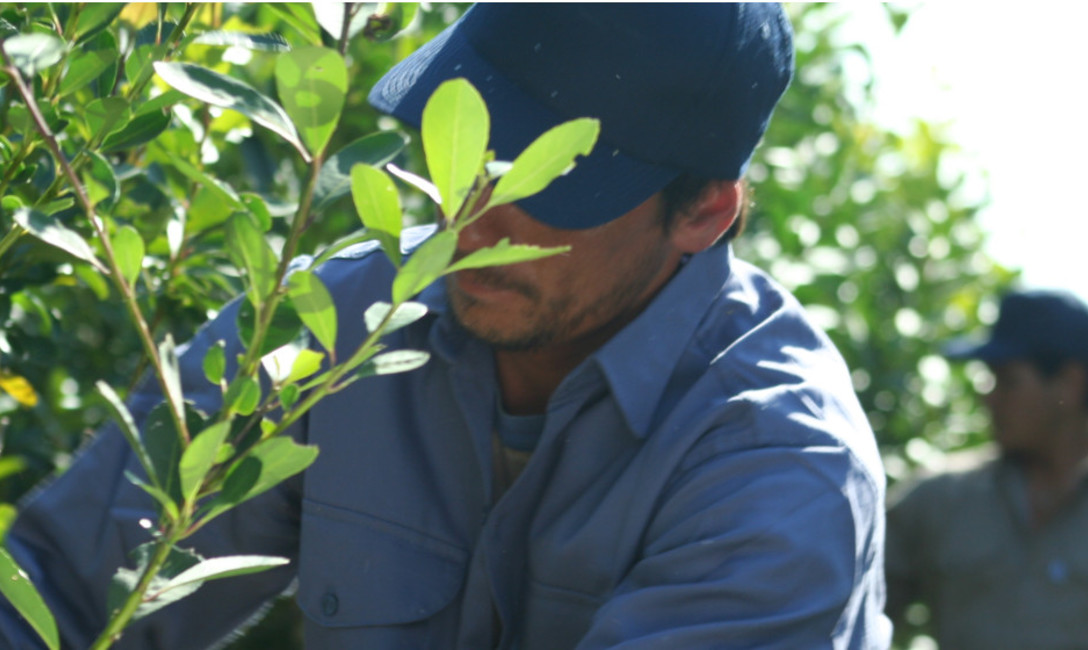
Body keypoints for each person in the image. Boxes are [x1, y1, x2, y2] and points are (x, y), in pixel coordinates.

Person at [1, 5, 890, 649]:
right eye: (467, 146)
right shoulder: (332, 324)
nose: (473, 215)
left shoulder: (782, 468)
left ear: (702, 212)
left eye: (550, 181)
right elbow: (59, 594)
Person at [885, 289, 1088, 649]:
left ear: (1069, 384)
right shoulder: (939, 501)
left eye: (1008, 381)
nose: (988, 398)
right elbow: (846, 612)